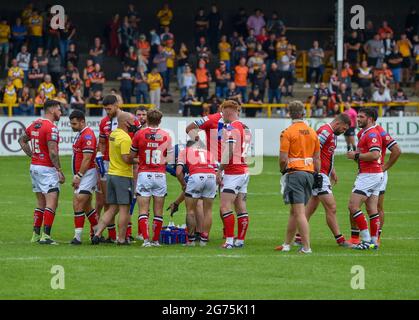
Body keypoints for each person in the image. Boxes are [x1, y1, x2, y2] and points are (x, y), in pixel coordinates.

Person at [294, 114, 352, 248]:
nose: (343, 132)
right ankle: (340, 240)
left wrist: (333, 170)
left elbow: (327, 154)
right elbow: (313, 150)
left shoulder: (331, 133)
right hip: (319, 174)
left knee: (312, 205)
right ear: (338, 123)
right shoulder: (325, 132)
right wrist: (316, 173)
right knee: (331, 207)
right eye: (343, 129)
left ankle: (298, 237)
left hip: (323, 173)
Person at [276, 101, 321, 254]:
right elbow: (317, 159)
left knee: (299, 212)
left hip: (295, 173)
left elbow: (283, 159)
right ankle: (287, 244)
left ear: (289, 114)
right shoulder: (312, 132)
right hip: (309, 173)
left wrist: (282, 170)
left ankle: (306, 247)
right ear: (303, 113)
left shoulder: (287, 132)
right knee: (294, 211)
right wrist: (317, 174)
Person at [18, 100, 64, 245]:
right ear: (51, 110)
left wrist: (33, 155)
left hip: (34, 167)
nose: (61, 112)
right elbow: (52, 152)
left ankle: (35, 235)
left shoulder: (35, 124)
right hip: (46, 169)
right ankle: (46, 236)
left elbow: (22, 140)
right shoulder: (51, 127)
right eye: (59, 109)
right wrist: (59, 170)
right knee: (52, 202)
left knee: (40, 203)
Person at [92, 112, 138, 245]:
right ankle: (122, 239)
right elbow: (126, 159)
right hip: (122, 175)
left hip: (111, 174)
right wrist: (139, 160)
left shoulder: (113, 134)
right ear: (125, 123)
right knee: (124, 208)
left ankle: (97, 233)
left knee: (112, 208)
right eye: (132, 121)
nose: (134, 123)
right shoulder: (125, 138)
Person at [129, 109, 173, 247]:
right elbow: (170, 160)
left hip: (144, 174)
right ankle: (156, 240)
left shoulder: (139, 134)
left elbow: (131, 156)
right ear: (160, 120)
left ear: (147, 119)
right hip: (160, 175)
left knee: (143, 209)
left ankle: (146, 240)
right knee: (158, 210)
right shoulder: (166, 135)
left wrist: (141, 159)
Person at [346, 108, 383, 250]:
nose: (358, 119)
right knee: (371, 208)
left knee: (353, 206)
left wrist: (355, 155)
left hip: (370, 175)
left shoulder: (372, 133)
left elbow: (375, 154)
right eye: (358, 116)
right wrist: (357, 156)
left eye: (361, 117)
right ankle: (374, 241)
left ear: (370, 119)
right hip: (374, 174)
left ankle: (366, 240)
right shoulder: (365, 133)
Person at [216, 100, 251, 249]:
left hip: (233, 173)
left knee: (225, 206)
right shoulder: (244, 128)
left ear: (228, 110)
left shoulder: (232, 128)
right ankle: (240, 240)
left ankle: (229, 241)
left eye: (222, 111)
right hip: (243, 171)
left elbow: (229, 150)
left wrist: (220, 170)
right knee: (241, 207)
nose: (221, 114)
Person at [176, 140, 216, 246]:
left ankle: (191, 240)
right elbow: (216, 170)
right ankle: (204, 240)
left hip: (196, 176)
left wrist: (183, 184)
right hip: (212, 177)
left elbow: (178, 172)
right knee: (208, 211)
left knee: (190, 211)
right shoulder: (209, 153)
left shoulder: (185, 151)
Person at [69, 110, 99, 245]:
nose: (72, 126)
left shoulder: (87, 136)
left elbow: (87, 159)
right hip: (83, 174)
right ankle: (97, 233)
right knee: (87, 206)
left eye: (74, 123)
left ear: (82, 121)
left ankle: (78, 238)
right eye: (71, 123)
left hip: (88, 174)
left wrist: (79, 176)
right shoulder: (81, 134)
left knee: (78, 202)